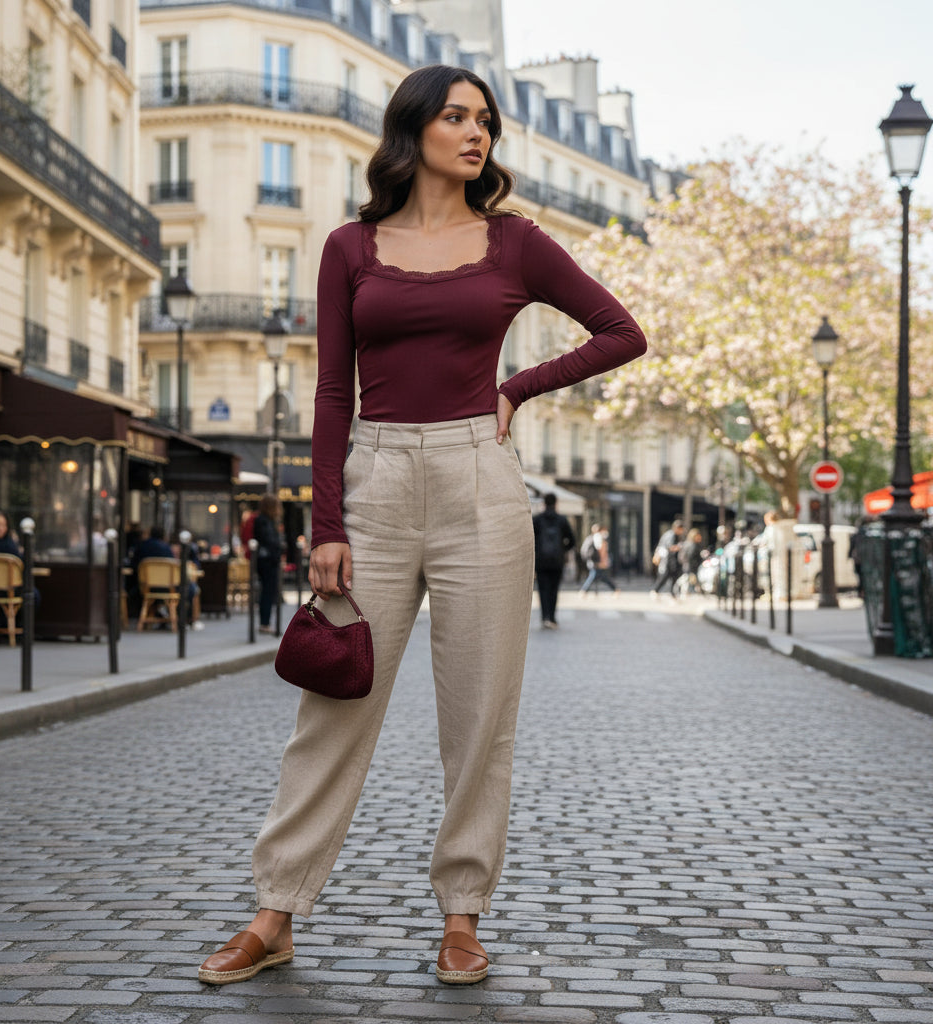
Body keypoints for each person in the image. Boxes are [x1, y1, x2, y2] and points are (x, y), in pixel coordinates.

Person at [196, 64, 646, 989]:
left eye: (485, 120)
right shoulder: (349, 249)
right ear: (415, 131)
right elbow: (329, 393)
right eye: (455, 117)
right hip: (377, 479)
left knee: (480, 715)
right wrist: (327, 520)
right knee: (334, 704)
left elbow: (619, 330)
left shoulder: (515, 243)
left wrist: (517, 389)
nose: (476, 133)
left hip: (481, 479)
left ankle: (462, 919)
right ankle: (275, 912)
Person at [532, 492, 575, 627]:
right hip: (557, 561)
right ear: (556, 503)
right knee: (554, 590)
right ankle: (552, 617)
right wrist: (563, 549)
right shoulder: (562, 519)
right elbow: (572, 540)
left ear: (544, 503)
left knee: (543, 589)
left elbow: (530, 540)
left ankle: (545, 617)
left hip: (541, 561)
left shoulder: (537, 519)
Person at [253, 494, 284, 634]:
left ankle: (265, 623)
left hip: (268, 560)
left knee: (268, 591)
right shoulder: (264, 521)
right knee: (267, 591)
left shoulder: (268, 520)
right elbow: (269, 541)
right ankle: (264, 623)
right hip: (268, 561)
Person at [580, 524, 618, 595]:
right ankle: (615, 589)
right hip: (596, 561)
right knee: (597, 576)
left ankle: (584, 591)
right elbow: (601, 551)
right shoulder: (597, 538)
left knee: (597, 576)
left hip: (595, 561)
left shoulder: (591, 538)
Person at [651, 519, 684, 597]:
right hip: (668, 560)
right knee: (666, 576)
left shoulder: (668, 534)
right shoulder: (671, 535)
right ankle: (656, 591)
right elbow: (670, 547)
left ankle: (670, 593)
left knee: (670, 577)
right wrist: (680, 547)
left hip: (667, 560)